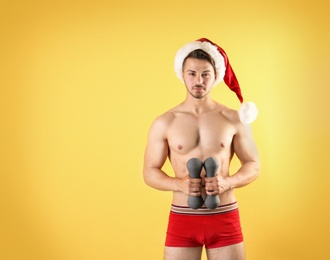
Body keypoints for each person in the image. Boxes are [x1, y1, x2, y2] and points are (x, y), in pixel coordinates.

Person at [143, 38, 260, 260]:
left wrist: (229, 182)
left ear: (215, 76)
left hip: (224, 217)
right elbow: (149, 172)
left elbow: (254, 165)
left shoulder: (233, 119)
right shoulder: (165, 122)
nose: (199, 80)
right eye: (192, 73)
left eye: (206, 73)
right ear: (182, 74)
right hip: (183, 218)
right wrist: (179, 184)